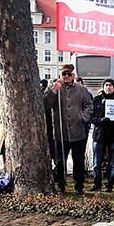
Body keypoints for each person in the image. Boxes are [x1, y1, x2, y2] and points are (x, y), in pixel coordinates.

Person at [44, 64, 91, 192]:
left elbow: (89, 106)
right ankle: (61, 184)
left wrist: (82, 117)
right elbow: (47, 105)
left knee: (78, 161)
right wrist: (54, 91)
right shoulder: (53, 88)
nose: (66, 76)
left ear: (73, 75)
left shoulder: (81, 89)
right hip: (61, 132)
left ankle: (79, 186)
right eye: (64, 74)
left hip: (78, 132)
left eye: (68, 74)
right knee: (60, 162)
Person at [91, 78, 114, 191]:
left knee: (113, 163)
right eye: (106, 85)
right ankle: (97, 184)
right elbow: (91, 117)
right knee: (97, 163)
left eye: (110, 85)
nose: (108, 87)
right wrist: (100, 120)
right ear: (103, 87)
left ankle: (110, 185)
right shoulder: (96, 100)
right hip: (99, 135)